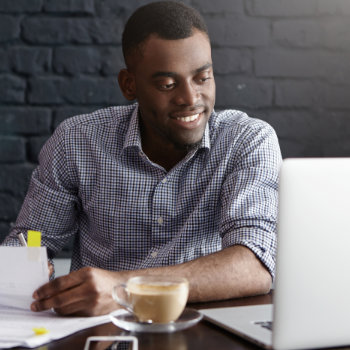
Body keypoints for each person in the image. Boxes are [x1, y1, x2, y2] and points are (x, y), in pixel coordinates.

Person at [2, 1, 281, 316]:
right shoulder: (75, 142)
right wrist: (34, 260)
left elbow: (254, 264)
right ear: (129, 84)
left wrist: (125, 288)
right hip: (102, 336)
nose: (190, 99)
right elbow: (33, 239)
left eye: (202, 78)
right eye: (167, 84)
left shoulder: (247, 141)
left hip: (203, 334)